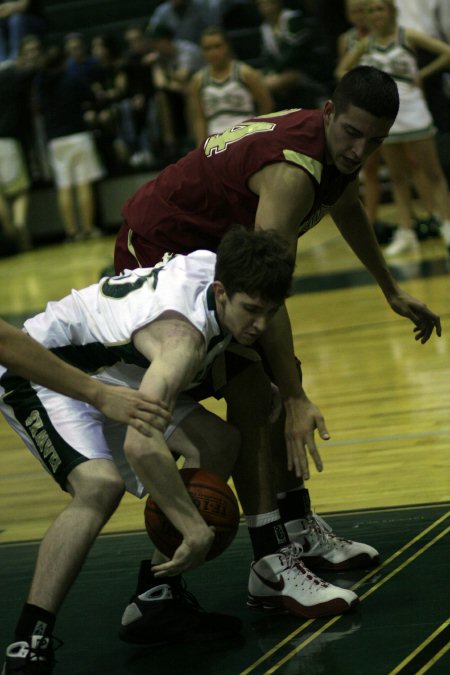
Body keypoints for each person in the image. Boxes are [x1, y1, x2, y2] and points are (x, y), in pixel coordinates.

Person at [113, 65, 441, 631]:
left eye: (376, 142)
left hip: (203, 255)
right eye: (353, 135)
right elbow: (264, 293)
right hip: (159, 261)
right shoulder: (291, 174)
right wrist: (294, 396)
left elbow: (346, 206)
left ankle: (295, 526)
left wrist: (390, 288)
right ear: (330, 112)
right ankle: (270, 562)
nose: (360, 151)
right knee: (261, 390)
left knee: (277, 375)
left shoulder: (328, 145)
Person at [1, 227, 305, 674]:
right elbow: (140, 445)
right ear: (221, 292)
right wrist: (191, 527)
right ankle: (30, 641)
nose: (259, 324)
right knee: (98, 488)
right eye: (251, 311)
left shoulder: (222, 269)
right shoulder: (182, 342)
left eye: (270, 311)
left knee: (219, 442)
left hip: (113, 371)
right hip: (47, 373)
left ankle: (156, 598)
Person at [336, 0, 450, 257]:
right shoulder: (365, 44)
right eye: (371, 10)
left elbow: (446, 52)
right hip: (387, 116)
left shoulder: (406, 35)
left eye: (380, 9)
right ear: (365, 16)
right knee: (398, 177)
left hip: (415, 110)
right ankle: (407, 232)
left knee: (432, 173)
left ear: (391, 11)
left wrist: (421, 74)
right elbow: (341, 70)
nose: (376, 14)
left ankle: (447, 225)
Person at [0, 318, 170, 435]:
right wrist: (101, 395)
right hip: (40, 362)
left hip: (94, 356)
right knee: (99, 483)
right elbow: (5, 343)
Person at [34, 44, 104, 241]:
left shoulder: (41, 84)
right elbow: (91, 97)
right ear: (64, 61)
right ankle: (88, 229)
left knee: (64, 187)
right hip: (78, 135)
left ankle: (71, 232)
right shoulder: (72, 78)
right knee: (83, 185)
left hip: (55, 140)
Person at [189, 26, 273, 145]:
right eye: (207, 49)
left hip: (245, 135)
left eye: (217, 46)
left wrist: (257, 134)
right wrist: (201, 148)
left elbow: (267, 105)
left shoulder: (246, 73)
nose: (213, 52)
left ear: (227, 46)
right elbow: (199, 118)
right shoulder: (198, 81)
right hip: (215, 139)